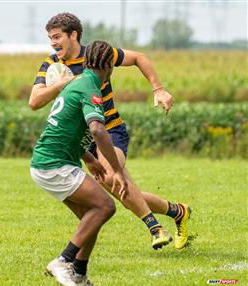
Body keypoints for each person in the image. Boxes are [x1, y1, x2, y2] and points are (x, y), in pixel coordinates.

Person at [29, 12, 191, 250]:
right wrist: (65, 83)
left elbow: (139, 58)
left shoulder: (97, 55)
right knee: (120, 191)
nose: (53, 42)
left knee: (114, 177)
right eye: (50, 38)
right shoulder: (52, 64)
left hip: (109, 130)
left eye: (57, 36)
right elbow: (34, 101)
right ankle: (178, 211)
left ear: (73, 35)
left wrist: (158, 89)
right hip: (84, 140)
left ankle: (155, 228)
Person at [31, 40, 130, 286]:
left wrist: (92, 160)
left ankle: (79, 274)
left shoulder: (80, 81)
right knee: (105, 206)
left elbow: (68, 129)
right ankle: (63, 261)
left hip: (47, 161)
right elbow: (97, 129)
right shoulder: (90, 87)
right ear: (109, 66)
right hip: (54, 164)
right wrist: (116, 170)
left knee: (91, 218)